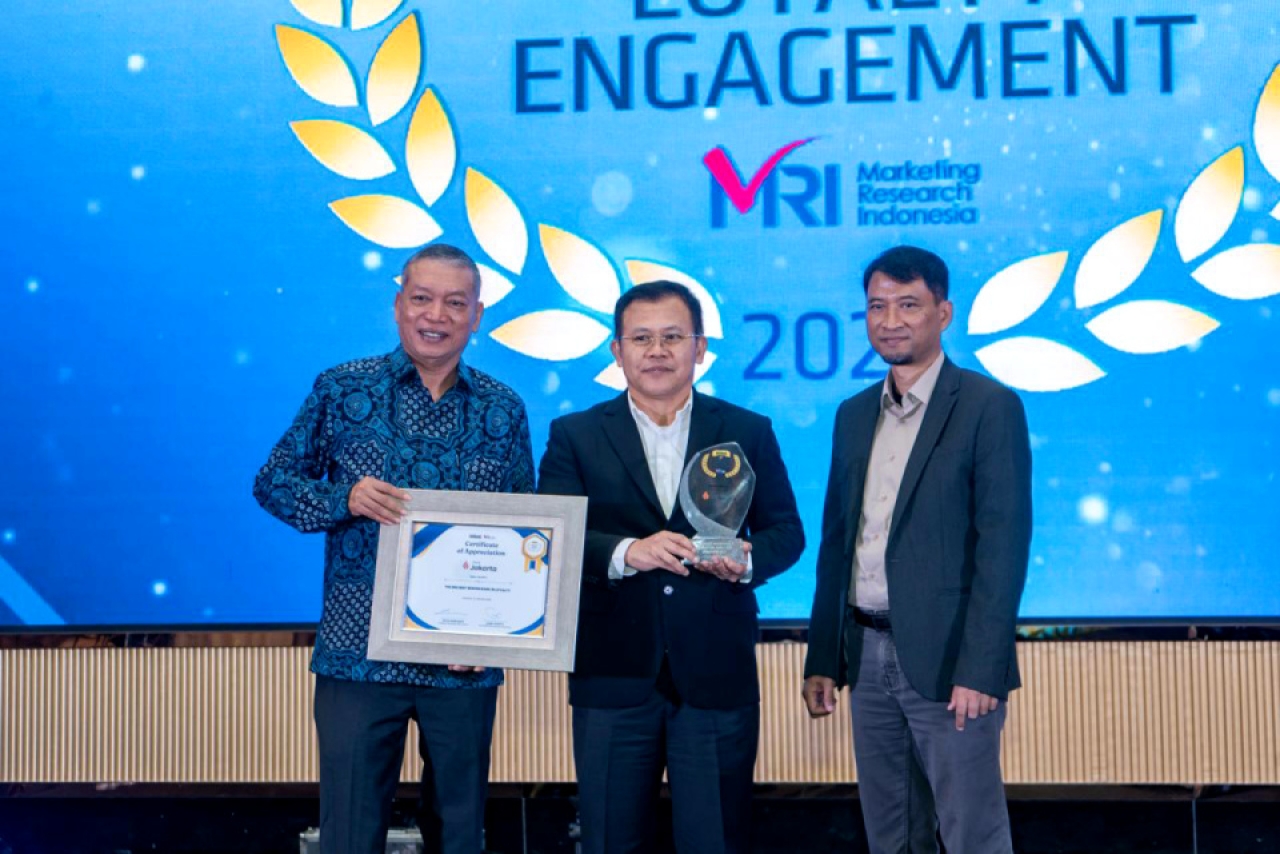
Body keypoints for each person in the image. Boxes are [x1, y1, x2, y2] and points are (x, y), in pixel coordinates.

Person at [253, 243, 534, 854]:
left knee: (459, 834)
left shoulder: (503, 410)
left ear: (477, 315)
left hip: (462, 661)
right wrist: (345, 497)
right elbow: (273, 483)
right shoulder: (342, 389)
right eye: (422, 298)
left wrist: (493, 638)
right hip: (358, 654)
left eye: (455, 303)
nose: (437, 315)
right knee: (350, 833)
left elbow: (524, 534)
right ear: (398, 303)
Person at [538, 280, 805, 854]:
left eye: (672, 337)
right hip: (611, 674)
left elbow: (786, 533)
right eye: (641, 338)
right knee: (610, 840)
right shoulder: (575, 435)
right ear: (617, 350)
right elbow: (552, 536)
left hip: (715, 675)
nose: (656, 351)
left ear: (699, 347)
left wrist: (746, 561)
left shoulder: (747, 430)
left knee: (717, 840)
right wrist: (625, 552)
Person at [802, 245, 1033, 854]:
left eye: (908, 305)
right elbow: (837, 541)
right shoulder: (853, 414)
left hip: (951, 661)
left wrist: (981, 668)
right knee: (892, 837)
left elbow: (1003, 549)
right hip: (866, 653)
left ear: (944, 313)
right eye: (877, 307)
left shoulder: (988, 406)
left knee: (972, 835)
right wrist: (823, 655)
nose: (890, 320)